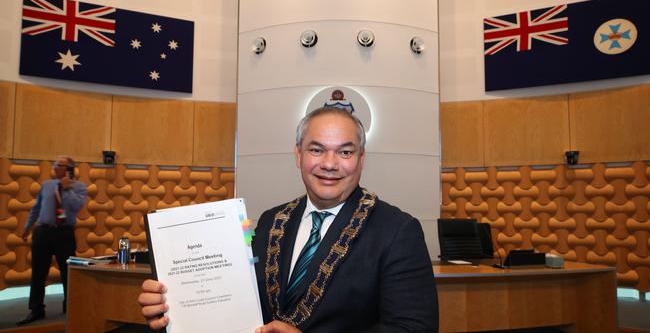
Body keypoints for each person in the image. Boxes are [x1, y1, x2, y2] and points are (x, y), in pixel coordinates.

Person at [139, 107, 439, 332]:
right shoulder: (271, 221)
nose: (330, 164)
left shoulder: (397, 231)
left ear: (361, 159)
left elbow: (413, 329)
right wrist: (173, 307)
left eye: (345, 151)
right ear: (298, 156)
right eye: (317, 150)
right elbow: (240, 302)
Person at [17, 156, 87, 326]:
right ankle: (36, 309)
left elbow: (76, 206)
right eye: (55, 164)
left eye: (59, 165)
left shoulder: (79, 187)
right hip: (43, 232)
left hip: (64, 233)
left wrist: (67, 189)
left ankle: (69, 305)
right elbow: (37, 207)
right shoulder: (47, 185)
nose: (55, 167)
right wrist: (27, 227)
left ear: (69, 168)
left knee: (67, 272)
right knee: (38, 273)